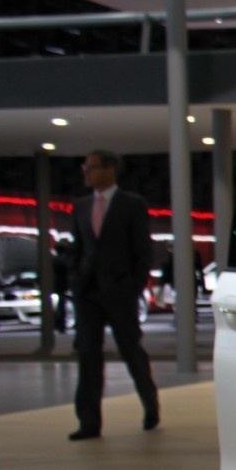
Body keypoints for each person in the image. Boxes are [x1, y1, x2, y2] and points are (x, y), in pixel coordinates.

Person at [66, 149, 159, 441]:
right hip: (87, 292)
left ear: (110, 169)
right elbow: (78, 247)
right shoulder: (81, 206)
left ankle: (150, 406)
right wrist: (75, 279)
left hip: (120, 290)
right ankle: (88, 422)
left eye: (91, 167)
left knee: (131, 351)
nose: (86, 172)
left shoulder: (132, 204)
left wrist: (133, 286)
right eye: (85, 167)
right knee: (88, 355)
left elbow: (142, 251)